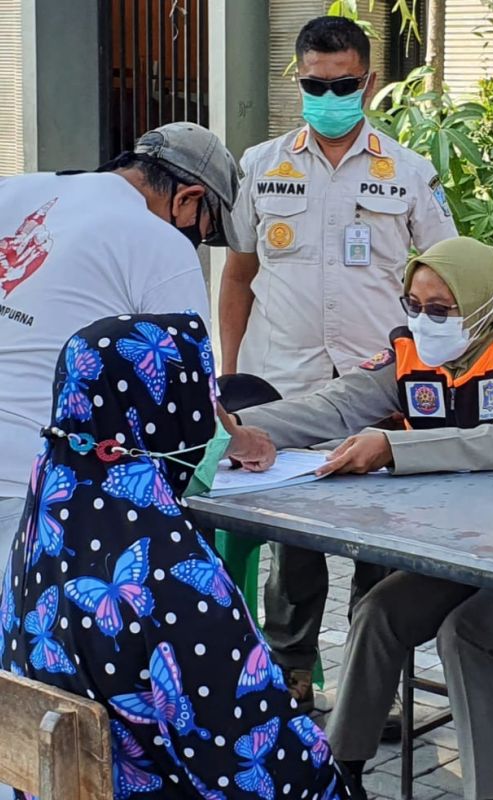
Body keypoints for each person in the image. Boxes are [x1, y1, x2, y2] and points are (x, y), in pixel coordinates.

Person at [227, 236, 493, 800]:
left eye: (440, 309)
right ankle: (341, 769)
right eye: (414, 306)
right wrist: (232, 427)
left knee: (466, 635)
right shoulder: (410, 352)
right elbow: (333, 406)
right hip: (464, 545)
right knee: (378, 611)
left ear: (485, 305)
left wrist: (395, 448)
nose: (424, 320)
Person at [0, 313, 348, 800]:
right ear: (168, 407)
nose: (211, 417)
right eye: (205, 399)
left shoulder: (46, 524)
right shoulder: (175, 576)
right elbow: (257, 762)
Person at [219, 15, 458, 709]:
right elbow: (239, 277)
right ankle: (294, 680)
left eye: (344, 84)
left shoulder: (409, 172)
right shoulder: (261, 166)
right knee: (290, 551)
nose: (328, 96)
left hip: (376, 387)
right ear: (299, 81)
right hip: (283, 384)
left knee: (379, 550)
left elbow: (444, 276)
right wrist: (230, 375)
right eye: (314, 85)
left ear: (370, 82)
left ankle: (368, 691)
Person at [0, 122, 269, 565]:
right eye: (204, 231)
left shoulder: (19, 190)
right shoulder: (159, 241)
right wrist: (241, 440)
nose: (197, 243)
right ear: (188, 199)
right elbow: (189, 393)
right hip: (28, 474)